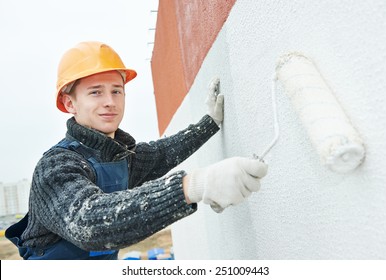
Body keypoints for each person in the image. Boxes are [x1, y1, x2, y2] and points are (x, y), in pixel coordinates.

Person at [6, 41, 268, 260]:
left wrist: (209, 123)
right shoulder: (56, 166)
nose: (110, 102)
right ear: (69, 103)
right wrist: (195, 186)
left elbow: (164, 152)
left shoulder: (120, 157)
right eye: (95, 92)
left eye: (116, 91)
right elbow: (89, 222)